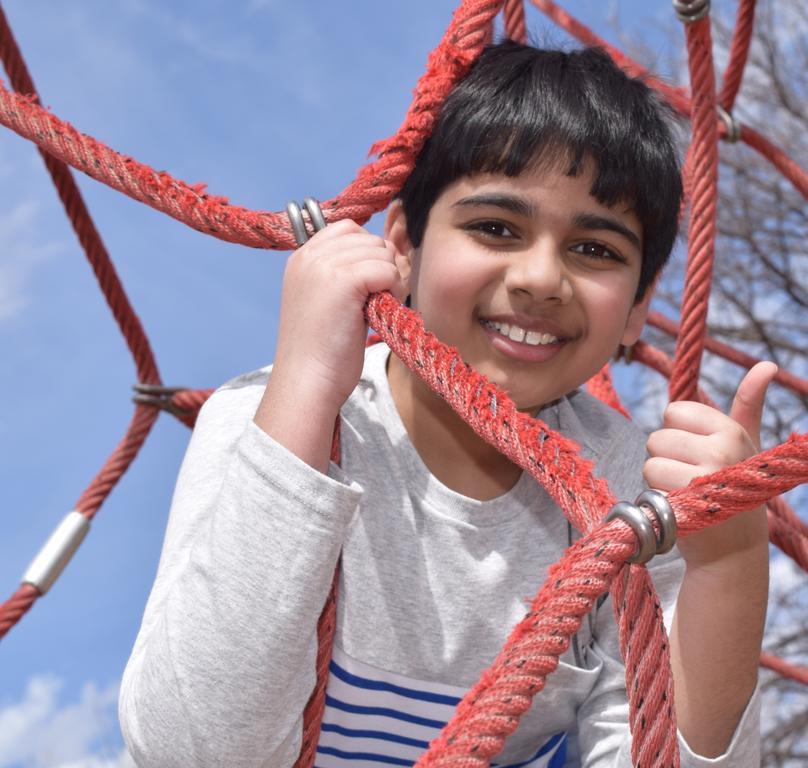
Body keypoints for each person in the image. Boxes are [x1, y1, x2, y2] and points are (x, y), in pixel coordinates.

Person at [119, 41, 771, 767]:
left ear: (639, 309)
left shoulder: (628, 495)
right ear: (401, 245)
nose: (539, 278)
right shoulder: (262, 417)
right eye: (495, 227)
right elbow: (192, 751)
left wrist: (730, 566)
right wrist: (304, 384)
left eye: (595, 250)